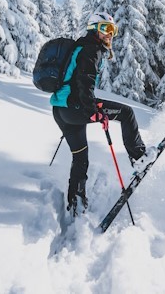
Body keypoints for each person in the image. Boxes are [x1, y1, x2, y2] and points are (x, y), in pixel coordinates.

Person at [51, 11, 157, 215]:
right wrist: (93, 112)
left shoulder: (81, 45)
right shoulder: (91, 49)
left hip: (61, 110)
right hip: (76, 107)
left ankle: (76, 202)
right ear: (94, 29)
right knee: (126, 113)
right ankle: (139, 157)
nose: (109, 34)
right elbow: (85, 81)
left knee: (80, 158)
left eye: (112, 30)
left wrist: (89, 110)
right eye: (105, 29)